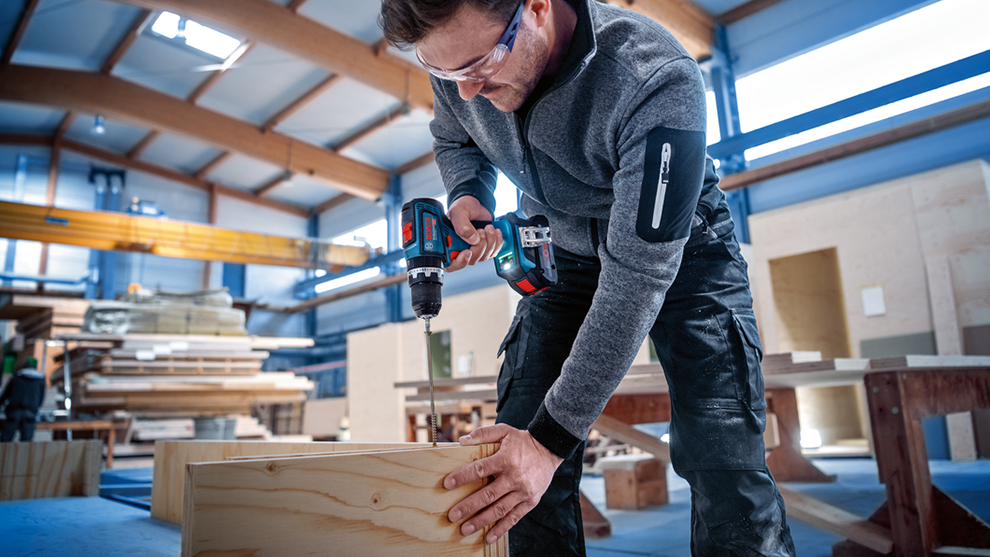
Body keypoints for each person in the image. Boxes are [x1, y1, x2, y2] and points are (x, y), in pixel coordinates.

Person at [380, 0, 796, 554]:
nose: (467, 92)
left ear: (537, 8)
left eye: (480, 67)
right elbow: (456, 135)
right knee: (511, 467)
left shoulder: (655, 79)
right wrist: (468, 194)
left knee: (723, 465)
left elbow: (637, 274)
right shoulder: (460, 59)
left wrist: (551, 443)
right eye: (445, 74)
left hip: (680, 252)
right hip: (562, 246)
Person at [0, 358, 47, 442]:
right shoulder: (40, 380)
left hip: (14, 411)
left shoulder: (17, 378)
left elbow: (5, 395)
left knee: (5, 440)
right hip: (30, 412)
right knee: (26, 443)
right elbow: (41, 398)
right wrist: (35, 408)